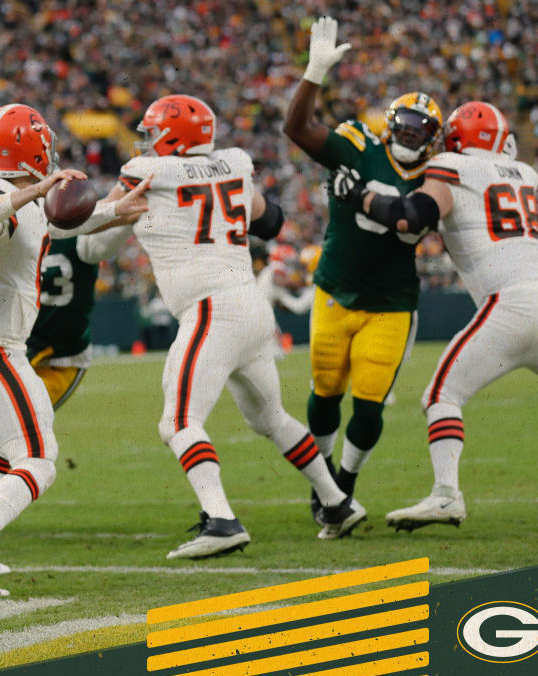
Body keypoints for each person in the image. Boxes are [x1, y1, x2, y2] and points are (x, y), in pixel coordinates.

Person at [330, 101, 538, 530]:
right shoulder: (524, 173)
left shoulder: (451, 166)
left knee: (440, 396)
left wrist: (360, 195)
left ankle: (446, 495)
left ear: (458, 138)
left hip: (512, 303)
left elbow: (409, 218)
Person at [103, 94, 365, 558]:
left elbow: (86, 224)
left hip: (210, 309)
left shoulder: (148, 173)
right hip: (250, 306)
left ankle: (221, 519)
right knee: (271, 419)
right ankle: (337, 501)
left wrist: (96, 212)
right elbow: (272, 221)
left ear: (173, 136)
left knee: (179, 421)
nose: (147, 142)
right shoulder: (232, 164)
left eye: (154, 133)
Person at [0, 103, 147, 596]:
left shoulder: (16, 199)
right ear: (30, 151)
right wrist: (35, 191)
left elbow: (53, 227)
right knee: (39, 459)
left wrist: (111, 212)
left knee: (5, 445)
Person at [283, 16, 442, 518]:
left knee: (369, 404)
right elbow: (296, 128)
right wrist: (313, 74)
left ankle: (343, 485)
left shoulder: (438, 182)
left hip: (389, 304)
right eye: (406, 124)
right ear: (390, 123)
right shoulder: (357, 143)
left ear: (433, 138)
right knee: (325, 393)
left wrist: (364, 196)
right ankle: (324, 476)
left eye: (422, 129)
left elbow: (405, 219)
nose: (411, 134)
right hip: (334, 291)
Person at [0, 229, 129, 547]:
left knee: (2, 436)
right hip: (13, 344)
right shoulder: (16, 226)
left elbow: (112, 223)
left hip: (59, 357)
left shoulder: (82, 232)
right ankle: (4, 472)